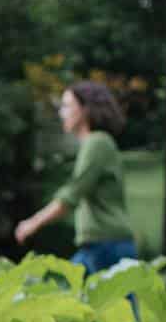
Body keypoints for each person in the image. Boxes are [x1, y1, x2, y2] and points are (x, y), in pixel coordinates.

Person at [14, 81, 137, 272]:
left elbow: (73, 193)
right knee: (63, 286)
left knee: (63, 286)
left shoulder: (97, 143)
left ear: (85, 109)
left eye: (66, 106)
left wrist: (33, 223)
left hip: (107, 246)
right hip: (99, 246)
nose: (61, 112)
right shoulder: (95, 143)